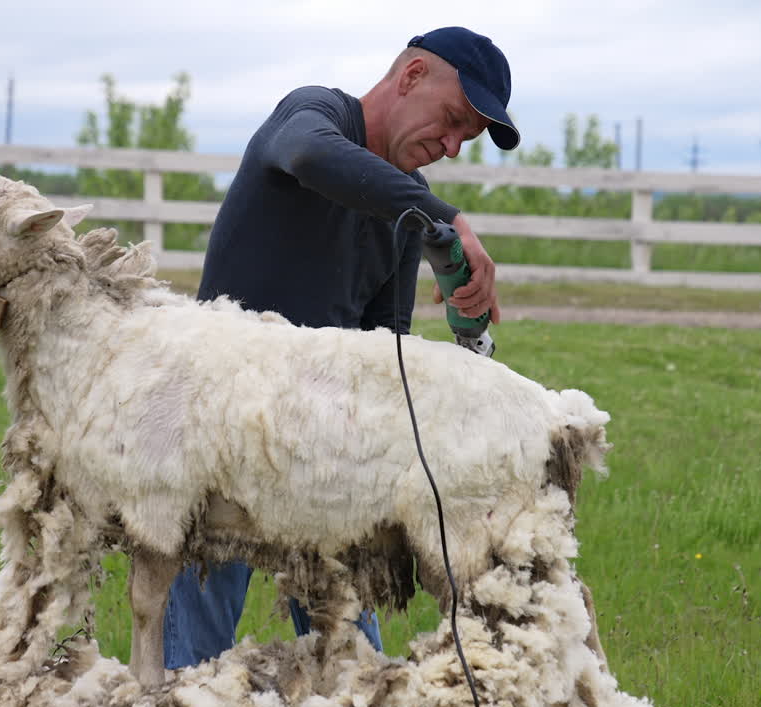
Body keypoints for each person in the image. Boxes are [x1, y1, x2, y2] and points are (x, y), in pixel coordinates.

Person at [162, 26, 521, 670]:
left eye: (463, 140)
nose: (449, 147)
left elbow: (383, 352)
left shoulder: (404, 213)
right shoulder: (313, 113)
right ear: (411, 76)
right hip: (217, 428)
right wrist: (447, 219)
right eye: (450, 121)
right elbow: (310, 155)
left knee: (352, 657)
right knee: (193, 659)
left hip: (316, 455)